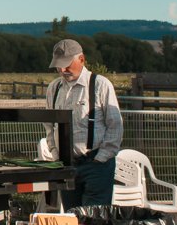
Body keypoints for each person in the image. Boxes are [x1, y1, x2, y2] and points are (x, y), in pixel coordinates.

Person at [44, 39, 123, 208]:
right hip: (67, 164)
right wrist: (55, 153)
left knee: (94, 221)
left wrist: (102, 157)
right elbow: (49, 125)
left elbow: (115, 125)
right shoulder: (54, 88)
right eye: (59, 66)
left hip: (96, 164)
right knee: (72, 218)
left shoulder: (100, 84)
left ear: (81, 59)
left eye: (66, 64)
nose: (63, 70)